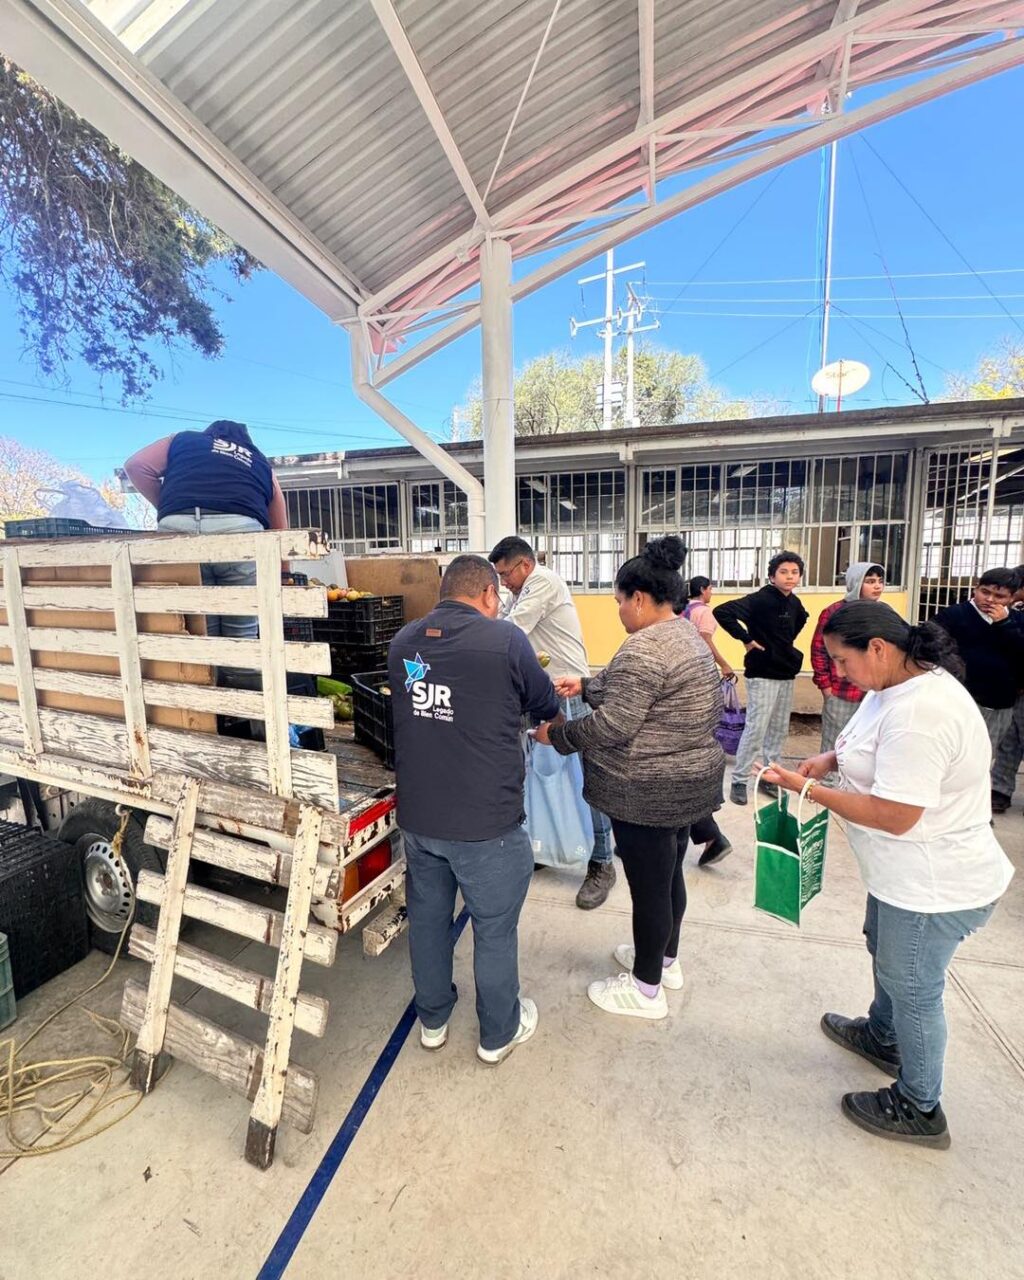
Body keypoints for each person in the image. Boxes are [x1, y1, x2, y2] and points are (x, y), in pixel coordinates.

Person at [763, 602, 1014, 1148]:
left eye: (841, 661)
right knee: (883, 948)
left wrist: (804, 788)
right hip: (900, 875)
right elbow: (864, 745)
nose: (839, 671)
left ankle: (920, 1106)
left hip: (934, 882)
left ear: (877, 648)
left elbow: (896, 815)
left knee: (914, 986)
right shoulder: (894, 686)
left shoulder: (922, 714)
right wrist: (829, 759)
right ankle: (883, 1035)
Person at [534, 536, 725, 1021]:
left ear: (639, 599)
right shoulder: (683, 635)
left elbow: (615, 724)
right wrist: (588, 684)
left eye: (619, 601)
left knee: (649, 888)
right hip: (687, 783)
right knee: (668, 876)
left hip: (648, 789)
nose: (619, 610)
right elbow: (638, 693)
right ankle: (665, 960)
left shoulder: (644, 649)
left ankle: (645, 989)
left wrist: (556, 734)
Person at [387, 555, 560, 1065]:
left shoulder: (402, 644)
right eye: (499, 596)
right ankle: (496, 1034)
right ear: (488, 593)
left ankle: (433, 1020)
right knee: (494, 929)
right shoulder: (505, 640)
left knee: (428, 921)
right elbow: (546, 703)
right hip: (487, 825)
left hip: (421, 819)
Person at [488, 536, 615, 910]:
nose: (504, 582)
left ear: (524, 565)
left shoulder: (542, 582)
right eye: (498, 578)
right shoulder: (519, 591)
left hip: (568, 691)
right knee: (538, 775)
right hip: (539, 691)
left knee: (584, 777)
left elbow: (510, 631)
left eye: (505, 574)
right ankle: (547, 846)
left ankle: (602, 862)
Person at [124, 421, 289, 639]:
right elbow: (280, 528)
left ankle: (211, 670)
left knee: (202, 628)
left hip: (178, 534)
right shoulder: (259, 461)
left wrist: (170, 506)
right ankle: (242, 672)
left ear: (209, 434)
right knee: (242, 629)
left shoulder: (182, 439)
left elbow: (136, 465)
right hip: (239, 533)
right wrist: (285, 574)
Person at [713, 551, 808, 806]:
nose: (790, 577)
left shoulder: (794, 603)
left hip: (786, 672)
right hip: (762, 672)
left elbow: (802, 619)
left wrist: (783, 645)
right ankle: (740, 780)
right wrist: (746, 639)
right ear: (772, 576)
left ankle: (769, 776)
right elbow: (723, 612)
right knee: (757, 727)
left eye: (794, 572)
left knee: (778, 729)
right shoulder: (760, 599)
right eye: (784, 572)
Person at [933, 568, 1024, 809]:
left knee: (982, 757)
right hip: (960, 698)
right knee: (950, 751)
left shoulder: (1017, 622)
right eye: (985, 592)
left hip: (1000, 702)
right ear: (976, 587)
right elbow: (932, 646)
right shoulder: (954, 615)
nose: (990, 600)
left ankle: (970, 807)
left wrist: (1004, 624)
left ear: (1012, 597)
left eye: (1000, 596)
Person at [810, 563, 885, 755]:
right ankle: (827, 784)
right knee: (835, 746)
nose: (877, 586)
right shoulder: (834, 612)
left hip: (874, 693)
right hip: (841, 692)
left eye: (880, 581)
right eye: (870, 581)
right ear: (855, 583)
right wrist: (826, 686)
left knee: (867, 745)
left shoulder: (884, 612)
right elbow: (819, 649)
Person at [987, 565, 1024, 813]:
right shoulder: (1013, 611)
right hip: (1013, 689)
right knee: (1009, 741)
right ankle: (1000, 790)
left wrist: (1006, 623)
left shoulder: (1011, 617)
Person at [682, 576, 735, 680]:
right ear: (702, 589)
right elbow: (705, 640)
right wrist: (724, 665)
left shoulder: (681, 608)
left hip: (678, 662)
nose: (711, 593)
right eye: (710, 589)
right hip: (697, 666)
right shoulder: (704, 611)